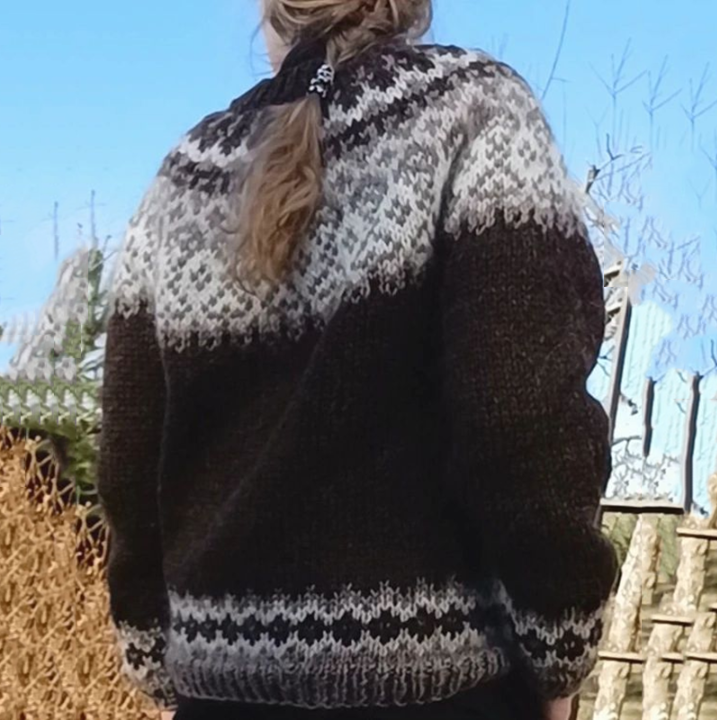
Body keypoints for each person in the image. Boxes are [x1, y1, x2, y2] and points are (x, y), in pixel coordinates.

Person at [96, 1, 620, 719]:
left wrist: (164, 659)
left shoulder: (184, 178)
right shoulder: (473, 109)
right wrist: (561, 652)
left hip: (219, 694)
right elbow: (521, 414)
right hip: (446, 691)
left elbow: (130, 456)